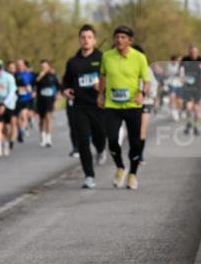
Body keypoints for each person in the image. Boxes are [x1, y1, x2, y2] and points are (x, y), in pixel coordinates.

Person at [99, 25, 151, 190]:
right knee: (112, 139)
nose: (119, 40)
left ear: (130, 41)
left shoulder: (139, 57)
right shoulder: (107, 56)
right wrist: (100, 94)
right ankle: (120, 167)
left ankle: (133, 174)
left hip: (132, 105)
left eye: (123, 37)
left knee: (135, 142)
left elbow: (147, 80)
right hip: (112, 105)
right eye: (117, 37)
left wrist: (142, 92)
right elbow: (103, 75)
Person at [62, 24, 108, 188]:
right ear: (79, 40)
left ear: (94, 40)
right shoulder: (73, 62)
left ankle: (101, 149)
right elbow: (66, 81)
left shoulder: (103, 59)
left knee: (100, 136)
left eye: (89, 37)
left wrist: (102, 86)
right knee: (82, 141)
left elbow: (112, 79)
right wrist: (66, 90)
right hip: (80, 106)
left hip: (99, 105)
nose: (86, 40)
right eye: (83, 37)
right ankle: (89, 176)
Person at [181, 45, 201, 136]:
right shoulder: (185, 59)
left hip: (199, 87)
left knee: (196, 108)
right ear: (189, 53)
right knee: (188, 107)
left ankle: (196, 126)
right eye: (192, 52)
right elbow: (181, 70)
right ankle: (188, 124)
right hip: (188, 86)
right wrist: (182, 79)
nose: (194, 54)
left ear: (198, 52)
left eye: (195, 52)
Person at [35, 59, 60, 147]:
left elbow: (58, 87)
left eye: (45, 66)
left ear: (49, 67)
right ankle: (42, 136)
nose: (44, 68)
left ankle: (48, 138)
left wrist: (57, 96)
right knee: (42, 120)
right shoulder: (37, 75)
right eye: (42, 67)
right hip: (40, 101)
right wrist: (40, 75)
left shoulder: (52, 76)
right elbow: (33, 84)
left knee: (48, 118)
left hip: (50, 100)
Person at [14, 59, 35, 143]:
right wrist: (18, 89)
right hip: (17, 98)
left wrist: (33, 91)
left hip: (27, 98)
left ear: (24, 65)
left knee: (24, 115)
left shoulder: (29, 75)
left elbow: (34, 85)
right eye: (18, 64)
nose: (19, 66)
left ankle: (22, 130)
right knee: (18, 117)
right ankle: (20, 130)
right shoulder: (14, 75)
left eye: (21, 64)